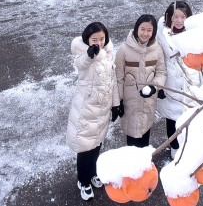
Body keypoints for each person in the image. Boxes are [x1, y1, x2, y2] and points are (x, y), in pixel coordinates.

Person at [66, 21, 121, 201]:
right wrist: (89, 55)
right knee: (85, 147)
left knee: (97, 143)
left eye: (101, 39)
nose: (98, 42)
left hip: (103, 109)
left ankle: (93, 173)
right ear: (87, 40)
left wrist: (115, 105)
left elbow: (112, 82)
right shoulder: (83, 56)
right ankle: (83, 180)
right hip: (86, 109)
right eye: (94, 39)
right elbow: (80, 66)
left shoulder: (108, 57)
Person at [157, 1, 203, 160]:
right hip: (170, 84)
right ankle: (174, 147)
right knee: (172, 118)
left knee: (189, 116)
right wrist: (159, 86)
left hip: (190, 83)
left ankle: (187, 146)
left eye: (183, 16)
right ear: (169, 18)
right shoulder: (161, 34)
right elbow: (156, 59)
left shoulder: (194, 33)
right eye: (176, 17)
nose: (179, 21)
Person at [114, 15, 167, 148]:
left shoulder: (157, 49)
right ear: (136, 29)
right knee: (132, 140)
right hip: (130, 102)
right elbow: (118, 78)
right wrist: (118, 101)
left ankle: (143, 165)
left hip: (148, 101)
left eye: (149, 30)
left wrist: (155, 87)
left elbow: (161, 72)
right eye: (142, 29)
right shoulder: (124, 50)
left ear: (153, 31)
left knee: (145, 133)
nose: (145, 33)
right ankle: (132, 166)